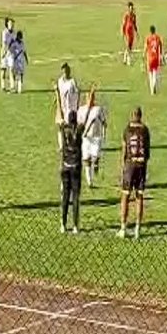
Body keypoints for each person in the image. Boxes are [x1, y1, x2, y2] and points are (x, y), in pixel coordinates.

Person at [59, 88, 94, 234]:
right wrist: (90, 100)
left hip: (65, 166)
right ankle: (75, 226)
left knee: (65, 196)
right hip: (76, 167)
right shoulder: (79, 130)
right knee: (76, 197)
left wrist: (56, 93)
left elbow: (60, 111)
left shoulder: (64, 129)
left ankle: (63, 224)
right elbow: (86, 117)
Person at [118, 107, 150, 239]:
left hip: (130, 165)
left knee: (125, 196)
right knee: (139, 196)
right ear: (141, 116)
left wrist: (123, 166)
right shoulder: (145, 130)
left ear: (132, 115)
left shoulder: (127, 130)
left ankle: (123, 227)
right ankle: (137, 228)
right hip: (141, 164)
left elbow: (124, 150)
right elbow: (147, 150)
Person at [78, 90, 107, 188]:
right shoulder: (81, 109)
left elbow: (104, 122)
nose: (90, 100)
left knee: (95, 157)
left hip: (96, 137)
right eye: (89, 98)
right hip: (86, 138)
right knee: (86, 159)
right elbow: (79, 123)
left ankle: (96, 165)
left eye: (92, 98)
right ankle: (89, 181)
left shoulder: (98, 109)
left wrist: (103, 134)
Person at [145, 25, 164, 95]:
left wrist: (144, 55)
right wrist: (161, 56)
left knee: (150, 74)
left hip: (150, 58)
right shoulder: (157, 38)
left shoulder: (148, 38)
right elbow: (160, 47)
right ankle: (154, 84)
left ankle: (152, 89)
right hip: (156, 57)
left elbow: (146, 48)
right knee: (155, 73)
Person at [9, 30, 29, 94]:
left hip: (21, 61)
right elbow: (10, 50)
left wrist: (26, 59)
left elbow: (24, 51)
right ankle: (14, 87)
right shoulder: (14, 43)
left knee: (21, 74)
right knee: (15, 74)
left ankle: (20, 88)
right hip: (16, 61)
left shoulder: (22, 43)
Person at [0, 17, 15, 92]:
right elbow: (4, 44)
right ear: (7, 24)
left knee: (11, 69)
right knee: (3, 70)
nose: (12, 25)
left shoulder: (14, 33)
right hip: (5, 53)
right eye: (10, 24)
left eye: (12, 24)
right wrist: (3, 53)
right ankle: (3, 86)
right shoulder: (5, 32)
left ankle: (12, 86)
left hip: (11, 53)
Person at [121, 2, 138, 66]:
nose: (131, 9)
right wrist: (123, 32)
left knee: (130, 46)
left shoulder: (134, 15)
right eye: (130, 8)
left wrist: (136, 32)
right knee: (128, 45)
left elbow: (134, 24)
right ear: (128, 8)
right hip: (127, 32)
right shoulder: (126, 15)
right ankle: (128, 60)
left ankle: (124, 59)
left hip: (132, 33)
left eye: (132, 8)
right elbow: (124, 24)